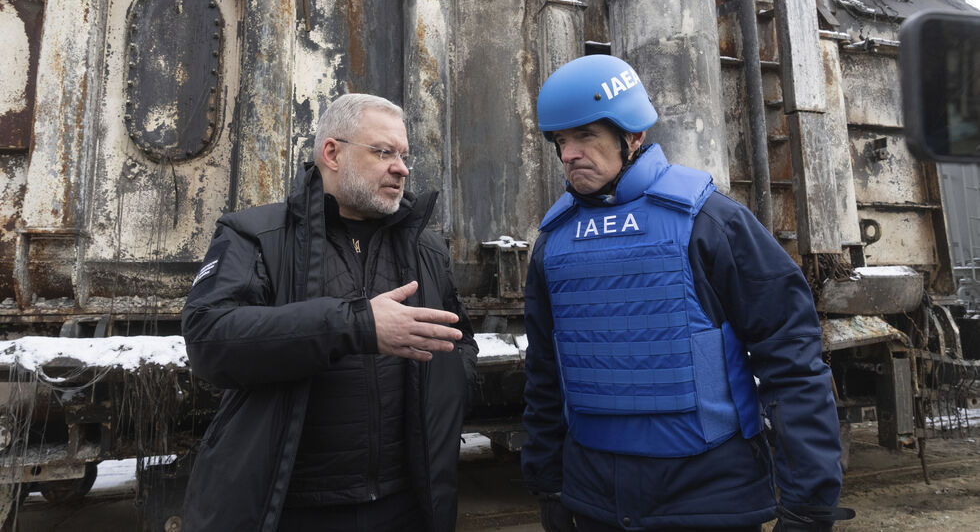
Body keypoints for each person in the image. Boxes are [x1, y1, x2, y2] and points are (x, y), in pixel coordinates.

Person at [521, 55, 852, 532]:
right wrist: (549, 480)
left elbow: (792, 361)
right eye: (560, 140)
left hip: (709, 499)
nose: (568, 153)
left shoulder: (712, 223)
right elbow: (546, 373)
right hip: (594, 500)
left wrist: (809, 503)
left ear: (632, 136)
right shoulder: (555, 242)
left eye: (585, 135)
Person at [181, 93, 478, 532]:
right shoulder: (256, 235)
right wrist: (353, 324)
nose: (401, 167)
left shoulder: (425, 249)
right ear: (332, 153)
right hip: (291, 507)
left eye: (404, 155)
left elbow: (460, 344)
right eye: (383, 152)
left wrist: (450, 394)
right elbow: (210, 337)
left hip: (406, 506)